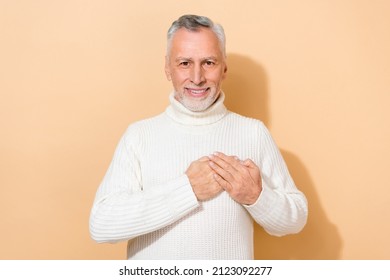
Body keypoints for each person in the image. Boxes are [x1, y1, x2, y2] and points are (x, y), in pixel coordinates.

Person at [89, 14, 308, 260]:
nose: (196, 77)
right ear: (167, 68)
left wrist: (256, 197)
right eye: (184, 63)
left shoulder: (253, 133)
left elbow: (296, 219)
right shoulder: (139, 136)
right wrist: (187, 189)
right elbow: (101, 224)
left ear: (224, 67)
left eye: (208, 62)